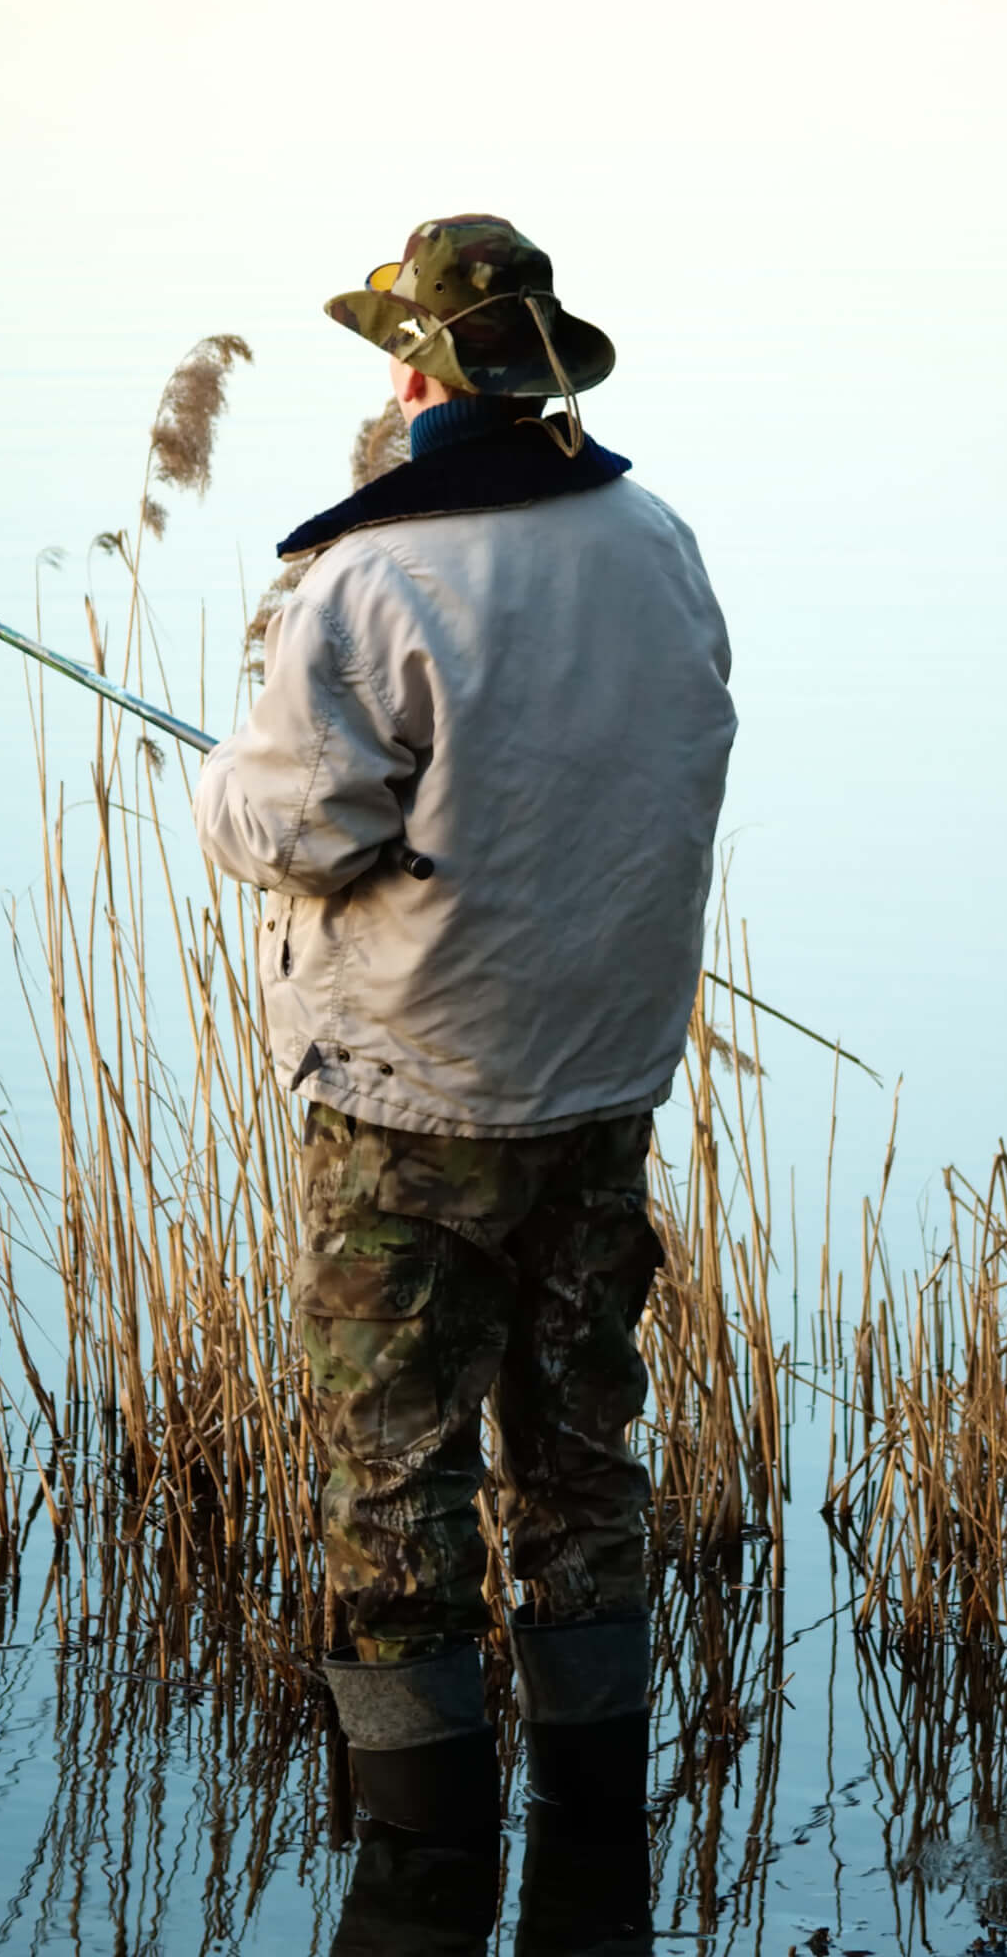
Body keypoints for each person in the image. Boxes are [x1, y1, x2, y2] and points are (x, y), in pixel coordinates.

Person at [192, 215, 737, 1853]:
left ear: (421, 371)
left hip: (409, 1101)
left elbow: (292, 827)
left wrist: (215, 780)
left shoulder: (372, 578)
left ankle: (421, 1859)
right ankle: (594, 1827)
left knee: (398, 1474)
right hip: (600, 1084)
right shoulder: (658, 542)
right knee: (582, 1457)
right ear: (547, 372)